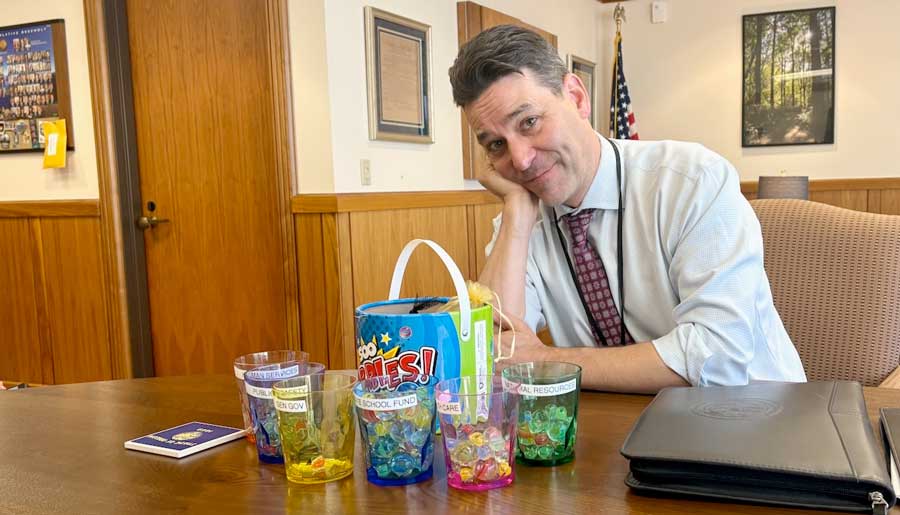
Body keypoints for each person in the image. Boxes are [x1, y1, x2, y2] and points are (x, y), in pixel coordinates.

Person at [448, 25, 806, 393]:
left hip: (757, 418)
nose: (520, 160)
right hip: (622, 427)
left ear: (575, 97)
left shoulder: (693, 180)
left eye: (529, 122)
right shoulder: (519, 219)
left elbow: (716, 358)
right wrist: (517, 214)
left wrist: (548, 361)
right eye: (495, 144)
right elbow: (493, 351)